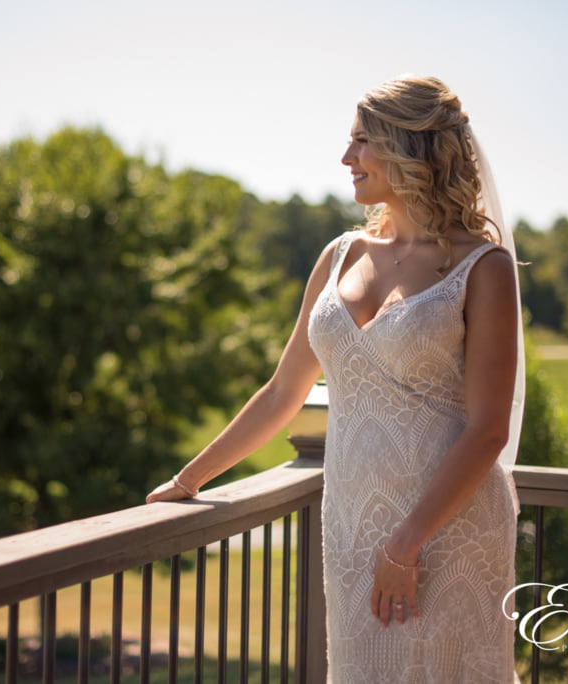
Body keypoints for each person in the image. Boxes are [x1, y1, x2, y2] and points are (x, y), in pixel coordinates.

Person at [147, 74, 524, 683]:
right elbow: (281, 394)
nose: (347, 158)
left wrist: (406, 544)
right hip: (351, 529)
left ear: (411, 147)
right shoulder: (339, 256)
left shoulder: (484, 266)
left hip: (447, 533)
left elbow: (486, 432)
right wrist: (188, 479)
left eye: (362, 142)